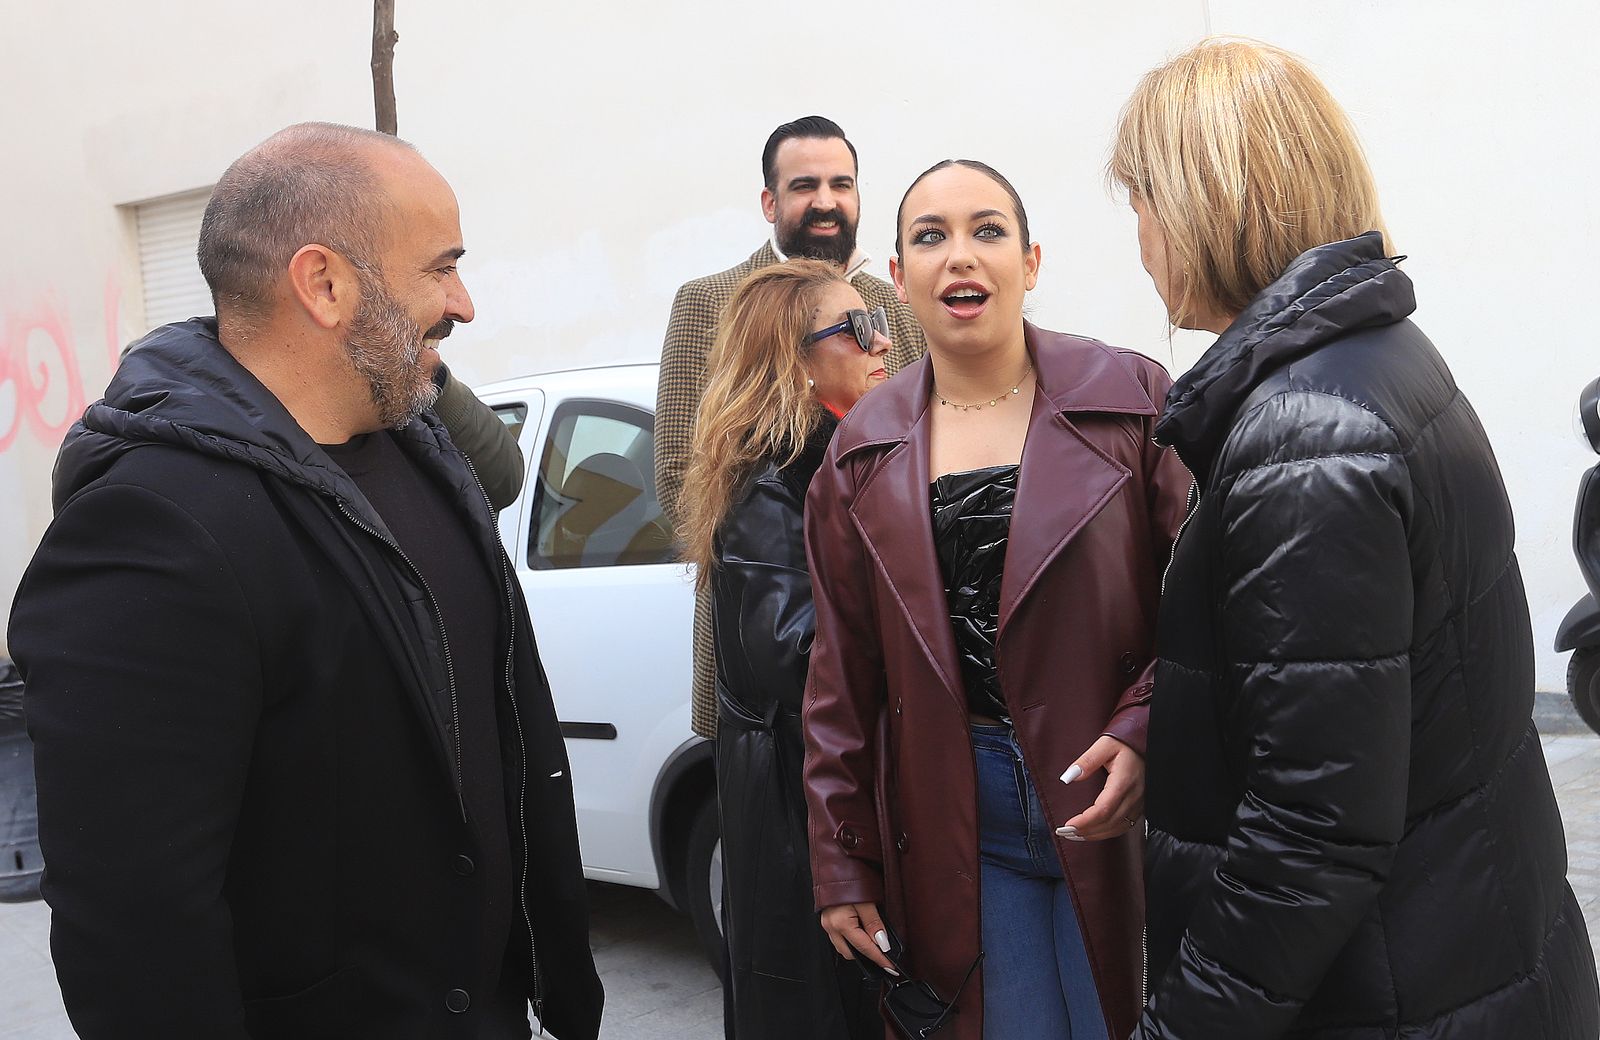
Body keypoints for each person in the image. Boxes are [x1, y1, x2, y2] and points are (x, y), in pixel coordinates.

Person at [6, 122, 603, 1040]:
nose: (465, 302)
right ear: (324, 285)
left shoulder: (422, 447)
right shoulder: (152, 527)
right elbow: (137, 934)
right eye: (440, 267)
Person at [1108, 38, 1600, 1038]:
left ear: (1210, 198)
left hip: (1392, 992)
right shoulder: (1373, 358)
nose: (1142, 242)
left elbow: (1310, 833)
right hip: (1461, 954)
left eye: (1143, 206)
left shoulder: (1303, 432)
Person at [801, 159, 1191, 1040]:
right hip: (955, 811)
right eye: (930, 238)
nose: (960, 257)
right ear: (898, 279)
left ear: (1033, 259)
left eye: (987, 230)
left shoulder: (1132, 402)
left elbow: (1208, 605)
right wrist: (843, 862)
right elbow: (841, 679)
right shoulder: (859, 452)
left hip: (1114, 797)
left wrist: (1142, 727)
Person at [655, 115, 926, 742]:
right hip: (764, 663)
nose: (826, 202)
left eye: (842, 184)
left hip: (885, 661)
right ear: (769, 201)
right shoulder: (709, 301)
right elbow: (678, 482)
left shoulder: (895, 309)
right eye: (805, 185)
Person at [677, 259, 890, 1039]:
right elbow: (800, 658)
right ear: (795, 363)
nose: (882, 342)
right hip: (800, 830)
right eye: (858, 328)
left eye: (881, 322)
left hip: (825, 813)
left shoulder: (842, 460)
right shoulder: (771, 481)